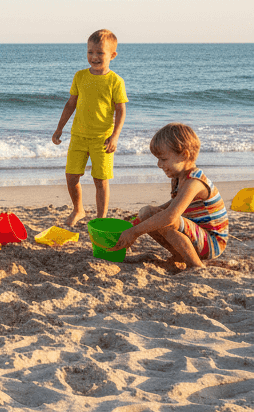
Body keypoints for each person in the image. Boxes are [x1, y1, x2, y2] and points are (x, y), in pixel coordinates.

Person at [112, 123, 228, 270]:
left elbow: (170, 217)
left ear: (184, 155)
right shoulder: (179, 178)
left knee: (166, 219)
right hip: (197, 236)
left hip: (212, 243)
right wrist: (141, 219)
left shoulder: (194, 182)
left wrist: (134, 232)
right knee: (148, 213)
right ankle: (181, 256)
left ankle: (195, 265)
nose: (159, 164)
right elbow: (174, 203)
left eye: (164, 159)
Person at [52, 29, 127, 227]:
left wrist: (115, 137)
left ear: (112, 55)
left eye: (100, 53)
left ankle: (101, 219)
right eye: (90, 52)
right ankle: (78, 210)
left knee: (100, 180)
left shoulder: (115, 81)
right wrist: (59, 128)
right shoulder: (80, 76)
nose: (94, 57)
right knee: (71, 176)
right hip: (78, 136)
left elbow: (120, 111)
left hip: (102, 139)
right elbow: (70, 104)